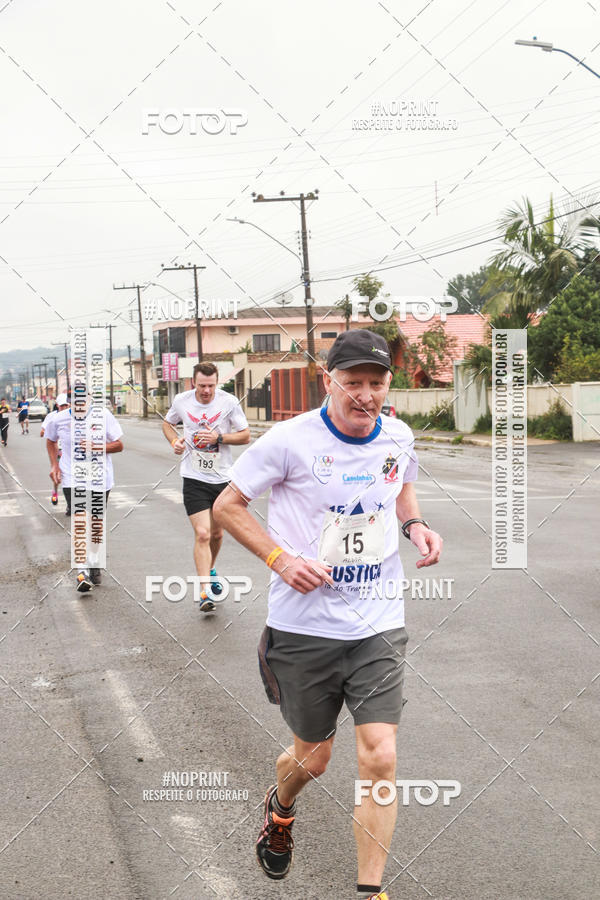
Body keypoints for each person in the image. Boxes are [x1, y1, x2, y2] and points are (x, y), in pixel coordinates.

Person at [213, 330, 443, 900]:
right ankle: (281, 804)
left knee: (380, 755)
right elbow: (226, 506)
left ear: (390, 383)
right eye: (353, 382)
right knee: (314, 758)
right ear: (328, 381)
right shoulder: (290, 441)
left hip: (377, 623)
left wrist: (414, 525)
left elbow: (401, 487)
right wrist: (279, 558)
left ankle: (371, 892)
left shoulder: (398, 433)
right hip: (304, 627)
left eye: (377, 382)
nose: (366, 395)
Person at [162, 362, 250, 613]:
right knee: (202, 533)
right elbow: (167, 424)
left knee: (217, 535)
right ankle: (204, 591)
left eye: (211, 386)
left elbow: (245, 435)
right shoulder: (182, 400)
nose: (207, 391)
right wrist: (175, 441)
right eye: (202, 386)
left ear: (216, 383)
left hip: (223, 478)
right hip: (194, 478)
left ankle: (211, 569)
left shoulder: (228, 402)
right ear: (194, 383)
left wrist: (219, 438)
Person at [45, 397, 123, 591]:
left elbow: (119, 445)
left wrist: (98, 447)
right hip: (72, 477)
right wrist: (54, 464)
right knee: (80, 520)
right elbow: (50, 441)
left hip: (99, 479)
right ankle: (81, 571)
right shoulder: (59, 419)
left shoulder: (103, 416)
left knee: (95, 523)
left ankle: (94, 560)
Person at [41, 393, 70, 506]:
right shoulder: (52, 417)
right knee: (58, 474)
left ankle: (70, 503)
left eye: (66, 405)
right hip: (57, 450)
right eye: (62, 406)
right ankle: (55, 491)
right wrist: (53, 433)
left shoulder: (71, 415)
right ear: (57, 405)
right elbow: (43, 432)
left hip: (68, 450)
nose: (65, 408)